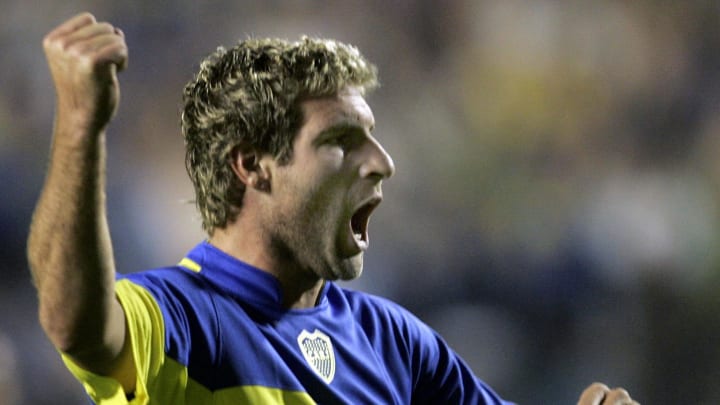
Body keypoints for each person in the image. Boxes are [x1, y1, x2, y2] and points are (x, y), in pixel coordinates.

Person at [27, 12, 640, 405]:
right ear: (252, 165)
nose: (382, 162)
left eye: (370, 136)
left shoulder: (394, 342)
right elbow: (74, 322)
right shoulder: (189, 322)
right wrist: (81, 127)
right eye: (340, 141)